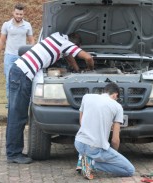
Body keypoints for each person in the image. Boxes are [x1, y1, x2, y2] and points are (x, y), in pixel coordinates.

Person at [6, 32, 94, 164]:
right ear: (74, 44)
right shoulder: (64, 43)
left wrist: (76, 69)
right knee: (18, 116)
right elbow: (87, 57)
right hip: (22, 75)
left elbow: (69, 57)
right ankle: (13, 154)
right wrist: (90, 69)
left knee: (16, 115)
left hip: (19, 72)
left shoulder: (57, 38)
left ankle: (13, 151)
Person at [74, 82, 135, 180]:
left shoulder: (87, 97)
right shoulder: (117, 107)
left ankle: (82, 160)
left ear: (104, 91)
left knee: (87, 143)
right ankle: (91, 163)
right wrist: (114, 153)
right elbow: (115, 140)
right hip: (95, 148)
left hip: (79, 143)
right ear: (115, 95)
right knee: (130, 170)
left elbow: (82, 123)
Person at [0, 3, 35, 107]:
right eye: (17, 14)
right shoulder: (6, 25)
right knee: (9, 79)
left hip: (23, 57)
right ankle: (10, 103)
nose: (19, 16)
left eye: (21, 14)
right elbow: (2, 41)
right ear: (13, 13)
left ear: (23, 14)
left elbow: (31, 41)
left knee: (24, 80)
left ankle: (24, 102)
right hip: (9, 56)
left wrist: (33, 54)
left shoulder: (27, 25)